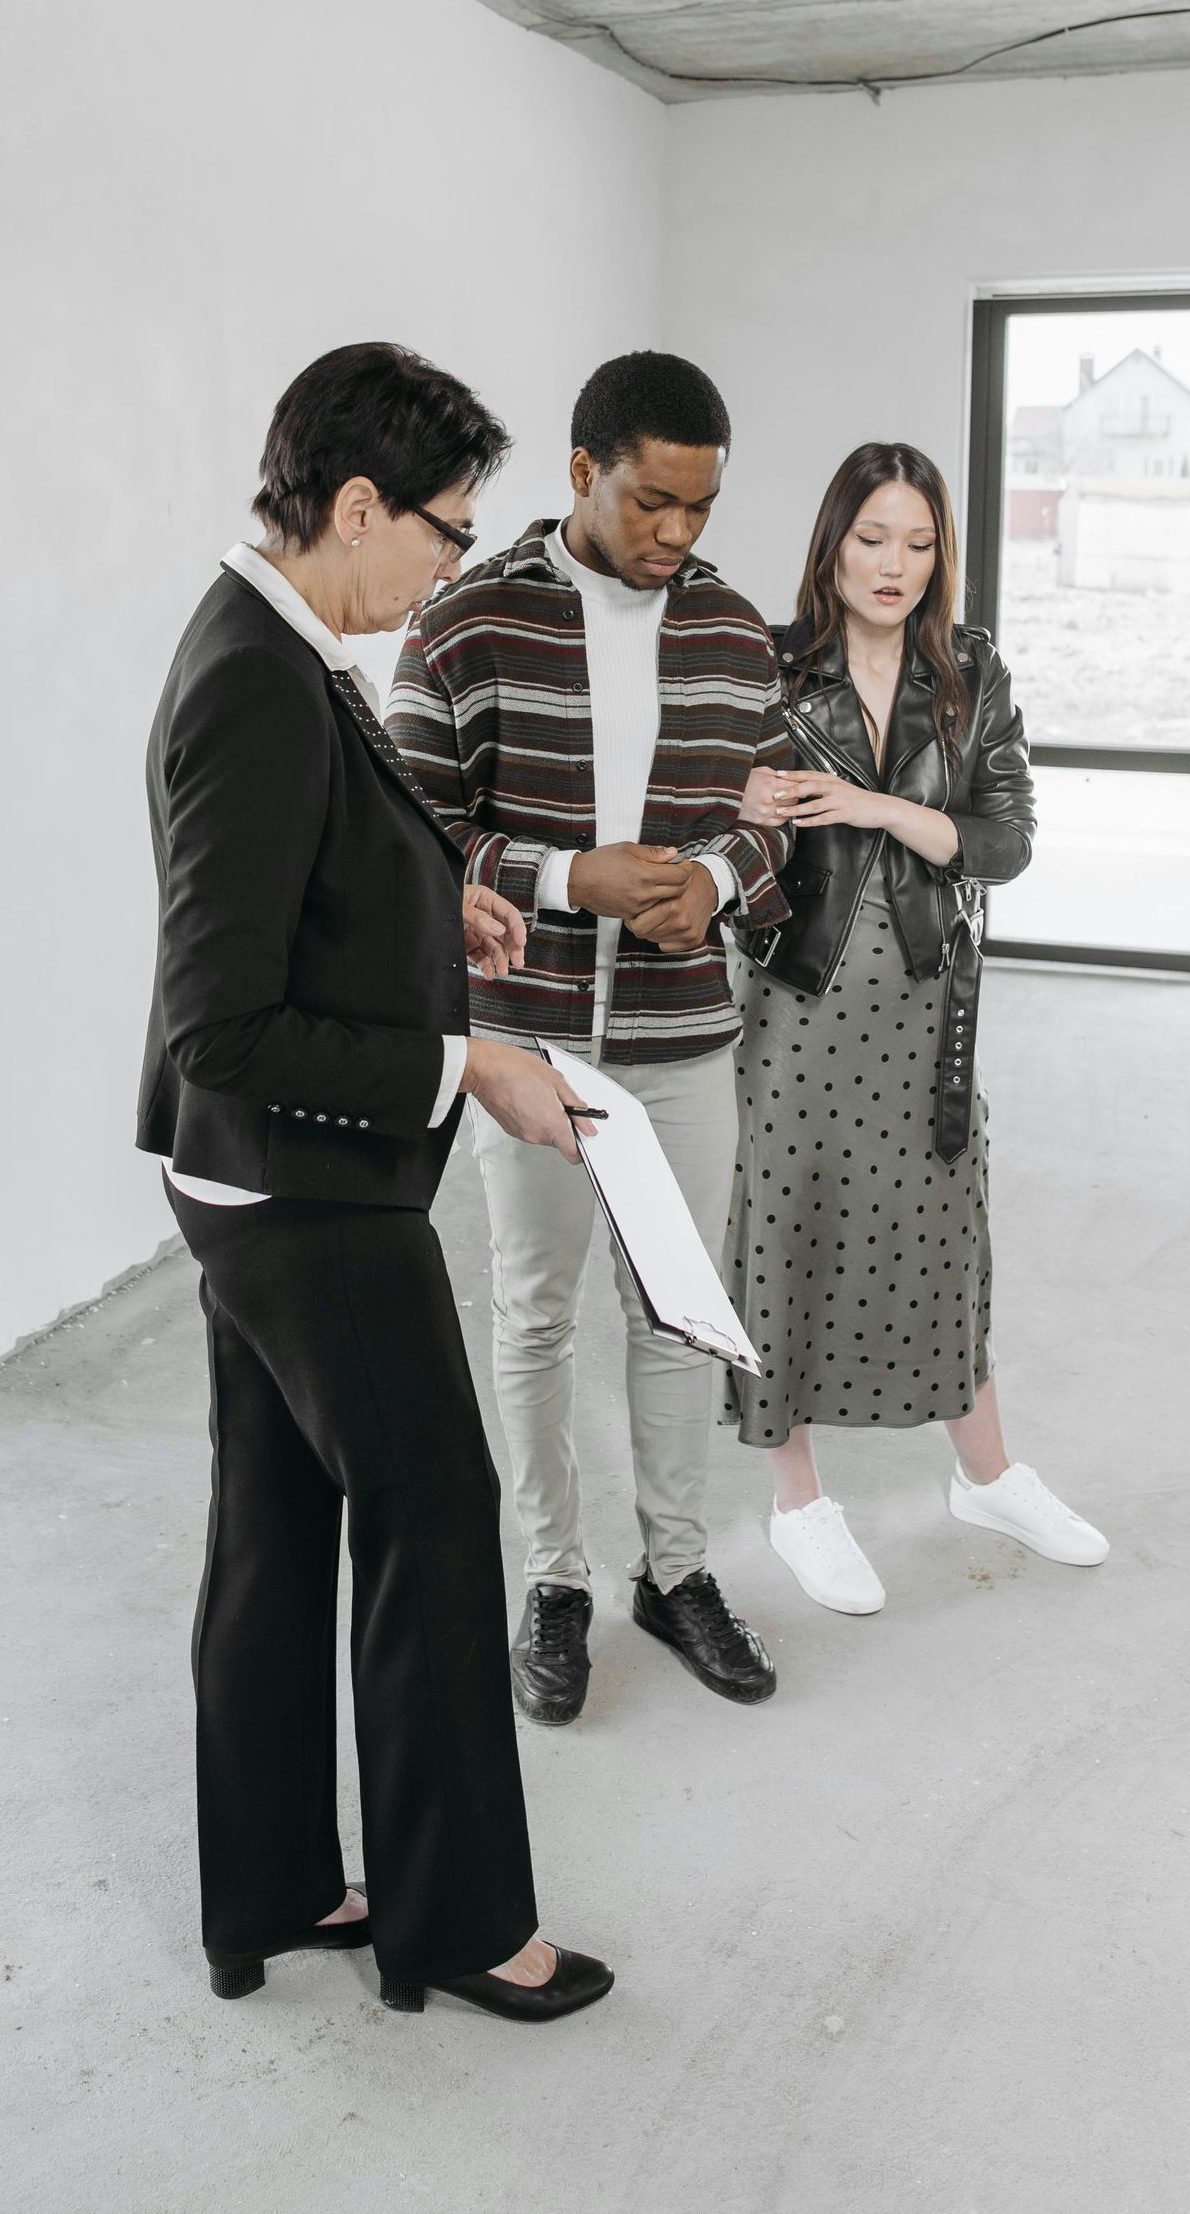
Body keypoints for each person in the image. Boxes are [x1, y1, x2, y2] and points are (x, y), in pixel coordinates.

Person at [137, 340, 613, 2024]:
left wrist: (440, 914)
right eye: (442, 531)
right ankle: (464, 1923)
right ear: (357, 504)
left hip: (255, 1186)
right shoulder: (258, 678)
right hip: (307, 1195)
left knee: (277, 1531)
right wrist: (461, 1063)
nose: (446, 570)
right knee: (436, 1513)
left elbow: (319, 869)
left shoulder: (276, 635)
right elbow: (222, 1019)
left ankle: (270, 1890)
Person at [389, 351, 793, 1727]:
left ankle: (674, 1576)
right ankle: (552, 1581)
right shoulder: (466, 619)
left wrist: (722, 879)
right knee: (538, 1313)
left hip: (687, 1034)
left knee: (682, 1313)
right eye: (652, 502)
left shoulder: (739, 629)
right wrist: (571, 879)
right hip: (532, 1043)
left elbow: (774, 813)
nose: (678, 535)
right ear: (582, 473)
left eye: (701, 507)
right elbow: (408, 835)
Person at [727, 440, 1108, 1612]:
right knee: (788, 1224)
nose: (894, 563)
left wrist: (877, 805)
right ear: (833, 540)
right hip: (800, 994)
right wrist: (735, 797)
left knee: (943, 1232)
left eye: (919, 540)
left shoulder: (970, 674)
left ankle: (986, 1475)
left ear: (941, 553)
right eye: (872, 536)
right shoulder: (772, 669)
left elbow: (1006, 839)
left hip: (927, 998)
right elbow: (703, 811)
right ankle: (798, 1501)